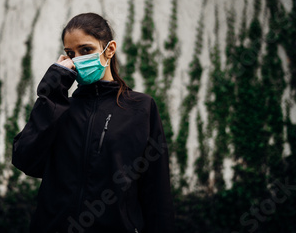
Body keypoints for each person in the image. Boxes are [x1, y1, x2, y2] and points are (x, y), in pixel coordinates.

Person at [12, 12, 175, 233]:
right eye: (71, 54)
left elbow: (157, 190)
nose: (78, 59)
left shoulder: (141, 108)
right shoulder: (58, 109)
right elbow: (25, 159)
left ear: (109, 50)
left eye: (86, 50)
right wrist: (53, 89)